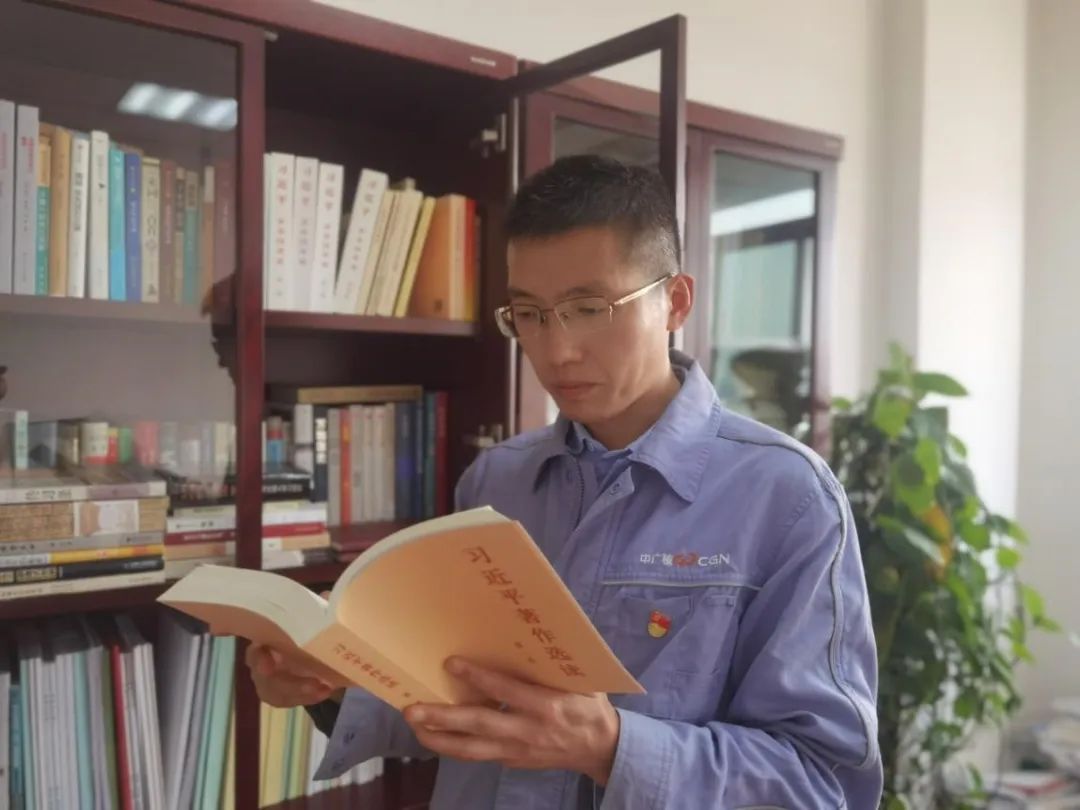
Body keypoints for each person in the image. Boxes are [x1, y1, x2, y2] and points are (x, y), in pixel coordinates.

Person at [247, 155, 883, 808]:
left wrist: (610, 748)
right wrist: (332, 683)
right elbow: (462, 697)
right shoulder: (496, 481)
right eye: (530, 314)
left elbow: (821, 782)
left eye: (589, 308)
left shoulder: (786, 497)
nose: (557, 351)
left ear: (675, 301)